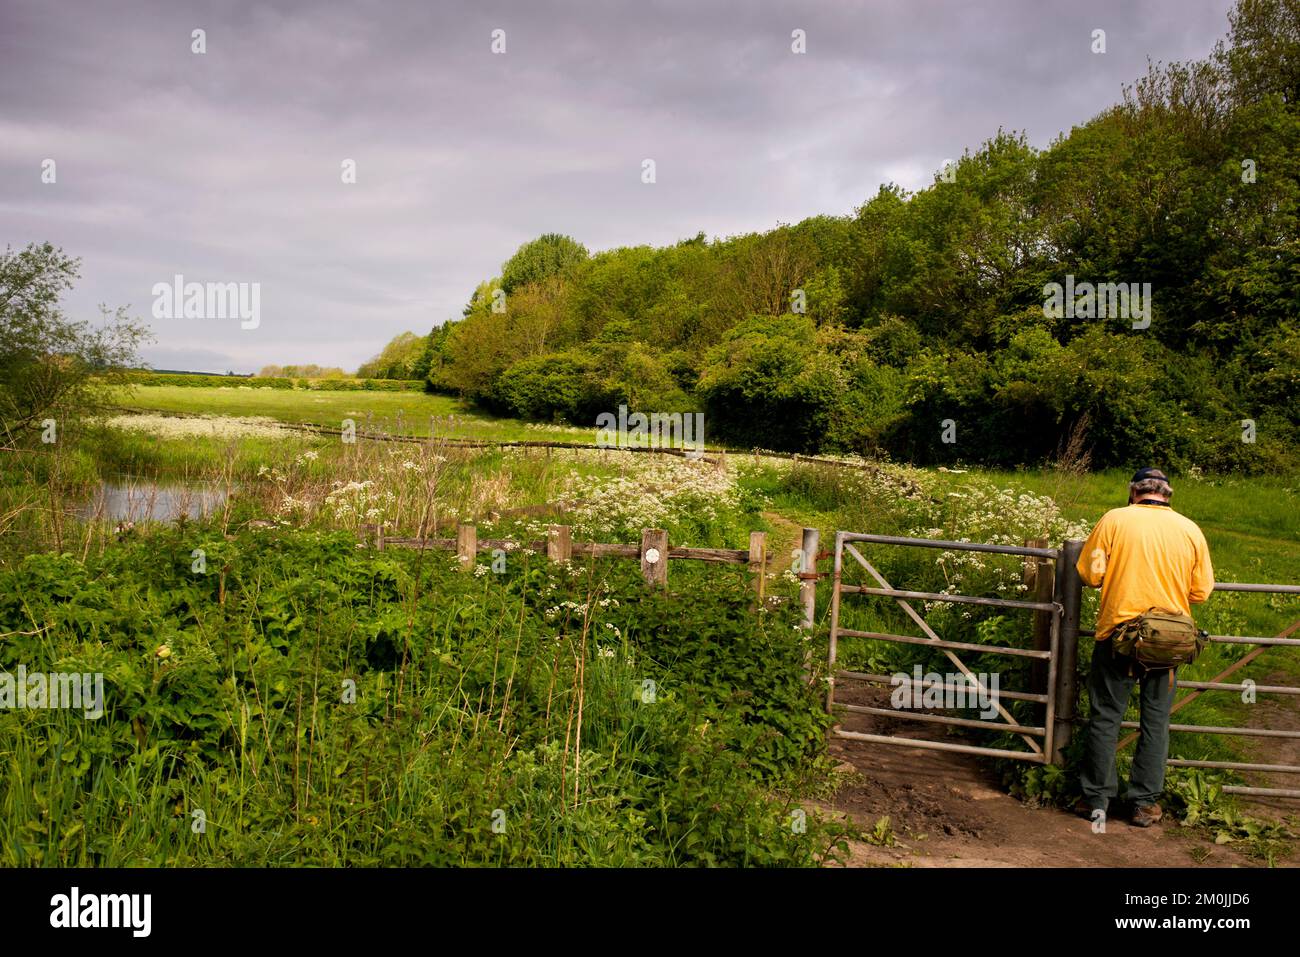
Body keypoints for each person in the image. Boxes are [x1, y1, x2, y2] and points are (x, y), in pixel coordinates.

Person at [1074, 467, 1214, 828]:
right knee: (1156, 721)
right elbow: (1201, 592)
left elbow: (1090, 575)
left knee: (1106, 717)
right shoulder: (1190, 529)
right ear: (1169, 494)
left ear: (1132, 491)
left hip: (1118, 636)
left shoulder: (1114, 520)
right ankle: (1144, 804)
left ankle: (1097, 799)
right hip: (1168, 642)